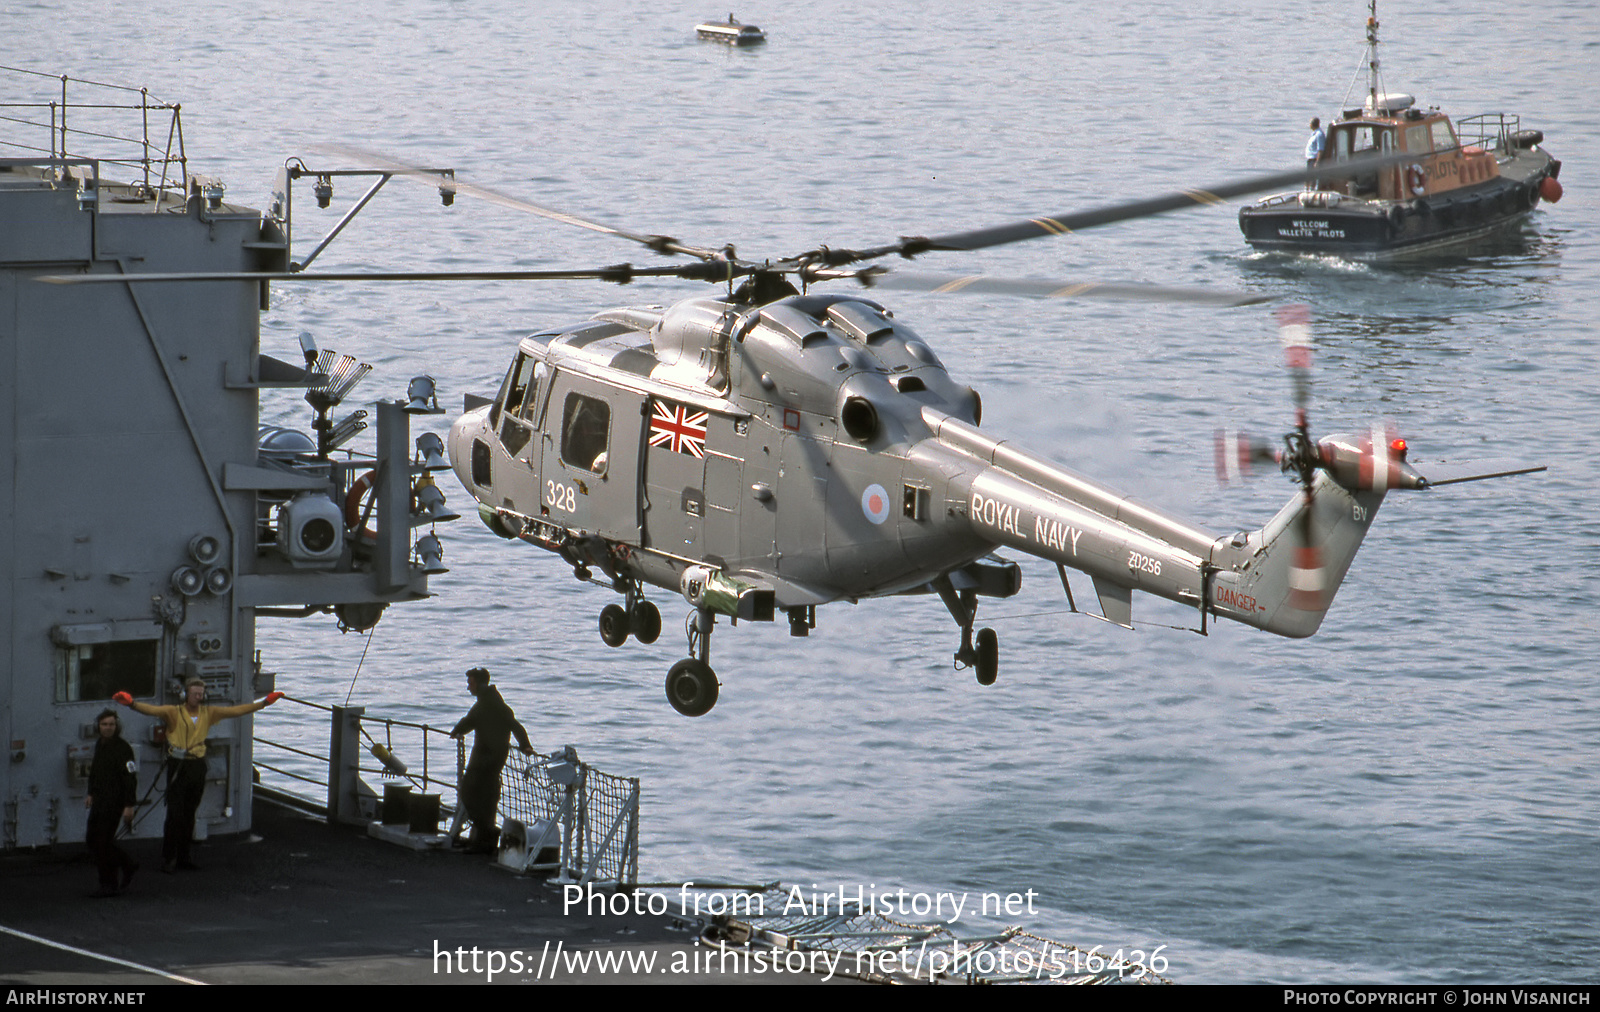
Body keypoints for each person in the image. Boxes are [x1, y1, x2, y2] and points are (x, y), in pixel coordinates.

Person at [114, 680, 283, 873]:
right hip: (178, 765)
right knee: (174, 814)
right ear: (186, 695)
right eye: (195, 693)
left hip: (197, 765)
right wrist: (131, 704)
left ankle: (184, 857)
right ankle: (169, 858)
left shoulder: (209, 713)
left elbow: (236, 711)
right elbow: (151, 710)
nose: (198, 697)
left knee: (189, 813)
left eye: (201, 694)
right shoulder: (173, 712)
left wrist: (264, 704)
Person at [450, 668, 533, 854]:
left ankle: (491, 834)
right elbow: (473, 721)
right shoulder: (491, 703)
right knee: (485, 798)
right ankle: (484, 842)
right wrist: (524, 744)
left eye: (470, 684)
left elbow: (513, 726)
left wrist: (525, 745)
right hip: (491, 757)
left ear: (479, 684)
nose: (468, 688)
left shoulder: (489, 705)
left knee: (470, 793)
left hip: (487, 758)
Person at [85, 709, 139, 897]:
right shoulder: (100, 744)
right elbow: (96, 770)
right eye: (104, 724)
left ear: (117, 727)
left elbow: (130, 778)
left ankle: (109, 884)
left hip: (115, 801)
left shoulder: (123, 749)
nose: (108, 728)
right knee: (93, 840)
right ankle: (127, 864)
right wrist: (90, 792)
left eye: (111, 725)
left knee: (102, 843)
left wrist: (129, 805)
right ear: (98, 727)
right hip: (100, 799)